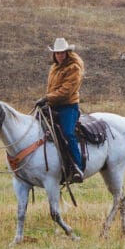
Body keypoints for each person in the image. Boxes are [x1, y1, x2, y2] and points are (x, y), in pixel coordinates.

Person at [36, 37, 85, 183]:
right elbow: (52, 88)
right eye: (57, 53)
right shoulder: (54, 67)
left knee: (68, 133)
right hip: (53, 105)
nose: (59, 55)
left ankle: (77, 167)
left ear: (67, 52)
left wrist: (47, 98)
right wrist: (47, 101)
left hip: (68, 106)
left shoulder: (74, 68)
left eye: (62, 52)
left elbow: (66, 91)